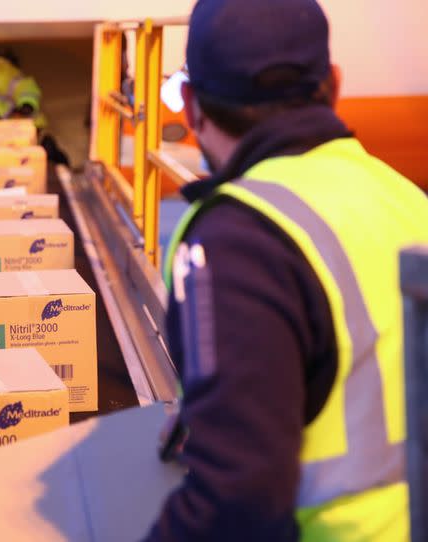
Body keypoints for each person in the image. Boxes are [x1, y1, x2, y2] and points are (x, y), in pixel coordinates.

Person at [145, 0, 428, 540]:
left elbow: (236, 506)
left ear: (191, 107)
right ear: (335, 85)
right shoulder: (408, 200)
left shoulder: (235, 240)